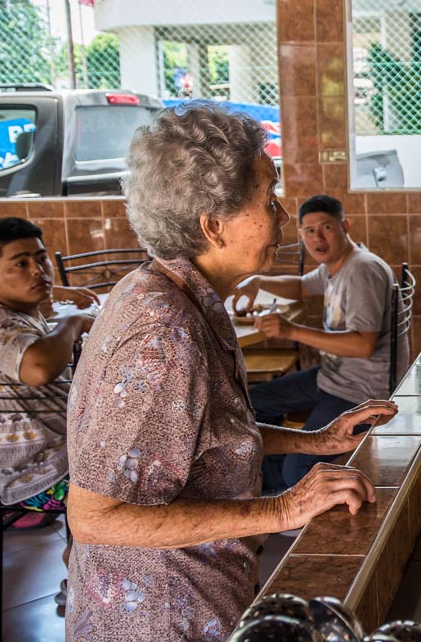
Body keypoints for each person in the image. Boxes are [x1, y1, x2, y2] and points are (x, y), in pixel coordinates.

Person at [65, 103, 398, 642]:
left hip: (194, 595)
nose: (283, 216)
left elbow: (202, 435)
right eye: (268, 200)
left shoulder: (173, 294)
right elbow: (96, 516)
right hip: (161, 613)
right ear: (213, 226)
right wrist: (285, 506)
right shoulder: (163, 334)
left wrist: (315, 441)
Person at [231, 194, 395, 492]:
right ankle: (273, 485)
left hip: (360, 390)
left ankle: (294, 490)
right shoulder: (335, 266)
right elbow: (300, 286)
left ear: (345, 226)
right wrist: (257, 281)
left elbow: (363, 345)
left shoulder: (361, 271)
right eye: (308, 230)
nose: (317, 237)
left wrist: (290, 330)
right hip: (331, 377)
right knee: (253, 404)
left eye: (326, 227)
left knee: (298, 469)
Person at [0, 217, 95, 529]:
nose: (37, 270)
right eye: (20, 263)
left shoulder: (15, 308)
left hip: (58, 456)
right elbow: (39, 369)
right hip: (35, 479)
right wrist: (71, 324)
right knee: (131, 479)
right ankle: (81, 562)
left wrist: (54, 292)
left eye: (41, 258)